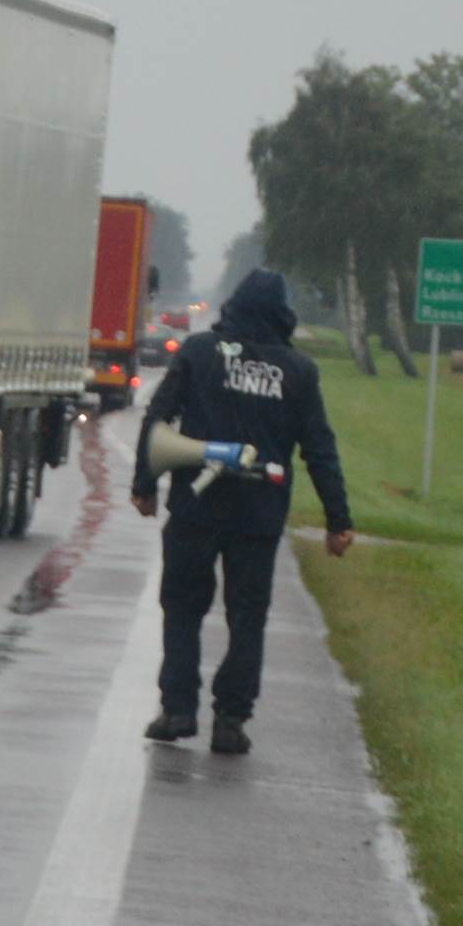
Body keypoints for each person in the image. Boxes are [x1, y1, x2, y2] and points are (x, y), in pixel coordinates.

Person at [133, 264, 353, 758]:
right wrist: (338, 520)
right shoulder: (299, 371)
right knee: (248, 617)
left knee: (184, 608)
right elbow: (319, 448)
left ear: (232, 305)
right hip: (258, 516)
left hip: (195, 506)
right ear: (282, 315)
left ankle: (177, 710)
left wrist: (144, 484)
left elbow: (158, 416)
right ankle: (230, 720)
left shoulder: (200, 352)